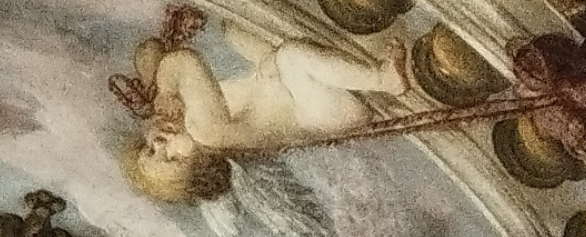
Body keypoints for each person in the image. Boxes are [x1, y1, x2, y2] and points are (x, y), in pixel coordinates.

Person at [117, 5, 410, 204]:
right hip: (323, 114)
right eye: (171, 158)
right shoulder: (207, 133)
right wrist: (166, 89)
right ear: (200, 165)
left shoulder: (193, 120)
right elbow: (185, 60)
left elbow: (148, 50)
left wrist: (156, 85)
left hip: (293, 94)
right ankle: (383, 80)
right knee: (292, 56)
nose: (160, 143)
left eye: (149, 148)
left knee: (233, 28)